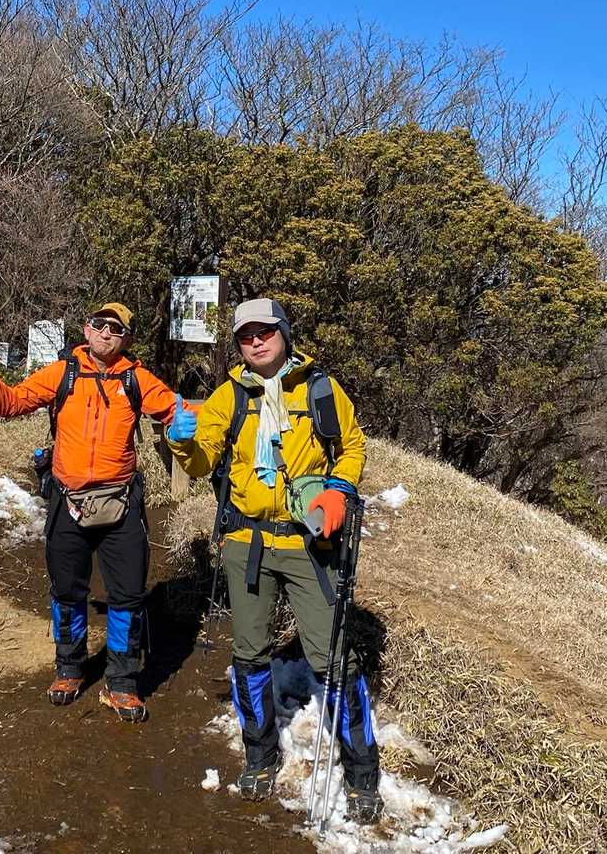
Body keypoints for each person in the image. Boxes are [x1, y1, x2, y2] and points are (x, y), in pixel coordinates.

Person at [165, 298, 383, 822]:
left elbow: (352, 446)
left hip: (310, 541)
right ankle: (260, 756)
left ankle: (362, 772)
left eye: (265, 331)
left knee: (332, 657)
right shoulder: (228, 396)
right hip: (247, 542)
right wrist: (181, 443)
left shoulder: (321, 388)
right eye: (246, 336)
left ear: (284, 333)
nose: (256, 341)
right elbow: (203, 461)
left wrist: (338, 490)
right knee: (249, 653)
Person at [0, 303, 180, 722]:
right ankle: (69, 668)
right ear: (86, 329)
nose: (106, 333)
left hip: (121, 502)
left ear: (126, 339)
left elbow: (178, 411)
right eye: (100, 325)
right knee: (67, 591)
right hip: (68, 501)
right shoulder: (62, 373)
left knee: (127, 596)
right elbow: (10, 402)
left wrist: (185, 424)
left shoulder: (136, 379)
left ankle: (122, 682)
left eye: (116, 329)